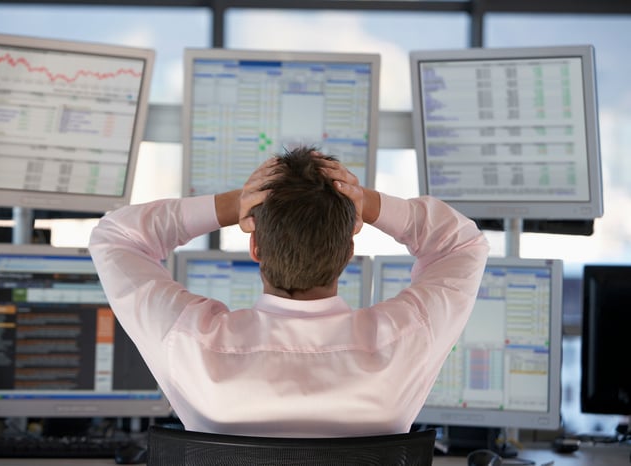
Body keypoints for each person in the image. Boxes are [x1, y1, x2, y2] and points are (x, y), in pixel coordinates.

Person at [88, 146, 489, 438]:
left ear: (255, 248)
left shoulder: (190, 341)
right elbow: (461, 244)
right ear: (348, 252)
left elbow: (115, 237)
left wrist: (234, 205)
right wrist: (366, 203)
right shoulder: (406, 339)